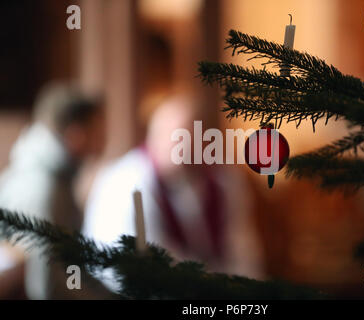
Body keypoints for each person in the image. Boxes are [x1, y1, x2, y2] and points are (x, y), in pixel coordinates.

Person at [83, 96, 263, 292]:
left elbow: (241, 248)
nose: (184, 147)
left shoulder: (219, 181)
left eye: (192, 138)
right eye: (176, 137)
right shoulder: (127, 183)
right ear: (155, 137)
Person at [0, 82, 109, 299]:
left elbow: (71, 270)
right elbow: (50, 286)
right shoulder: (44, 187)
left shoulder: (50, 176)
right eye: (98, 130)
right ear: (76, 134)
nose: (104, 139)